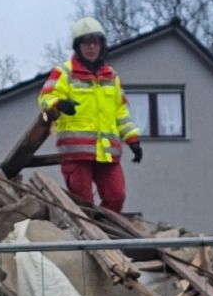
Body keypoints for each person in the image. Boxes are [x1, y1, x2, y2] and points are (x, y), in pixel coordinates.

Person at [38, 16, 142, 213]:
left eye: (96, 42)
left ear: (102, 45)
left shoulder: (111, 76)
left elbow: (120, 112)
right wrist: (59, 104)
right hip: (76, 153)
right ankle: (88, 238)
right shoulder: (65, 73)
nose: (92, 47)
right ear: (78, 46)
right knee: (83, 203)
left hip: (107, 153)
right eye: (87, 43)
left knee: (116, 196)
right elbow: (45, 98)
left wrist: (133, 139)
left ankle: (101, 235)